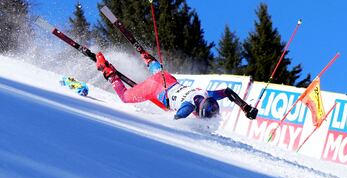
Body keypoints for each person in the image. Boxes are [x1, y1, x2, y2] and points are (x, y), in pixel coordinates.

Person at [96, 50, 258, 120]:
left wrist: (245, 107)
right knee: (125, 97)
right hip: (154, 88)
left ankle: (149, 59)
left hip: (167, 78)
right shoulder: (188, 107)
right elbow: (176, 119)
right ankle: (109, 72)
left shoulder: (206, 94)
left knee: (158, 72)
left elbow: (228, 92)